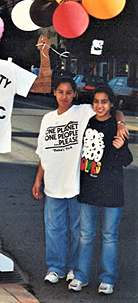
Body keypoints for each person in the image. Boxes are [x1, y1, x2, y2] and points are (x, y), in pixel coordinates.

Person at [32, 77, 128, 284]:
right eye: (60, 92)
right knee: (54, 229)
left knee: (78, 231)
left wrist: (121, 124)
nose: (64, 96)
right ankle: (55, 267)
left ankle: (74, 269)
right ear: (54, 93)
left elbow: (112, 108)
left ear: (75, 94)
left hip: (76, 185)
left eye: (68, 92)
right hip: (53, 183)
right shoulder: (47, 119)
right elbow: (43, 153)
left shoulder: (83, 112)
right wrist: (38, 180)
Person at [68, 85, 133, 295]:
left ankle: (107, 279)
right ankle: (81, 276)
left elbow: (127, 160)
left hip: (112, 190)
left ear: (111, 104)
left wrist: (119, 147)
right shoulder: (87, 121)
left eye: (104, 102)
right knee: (85, 235)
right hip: (89, 189)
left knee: (109, 236)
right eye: (96, 101)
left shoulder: (117, 126)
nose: (99, 105)